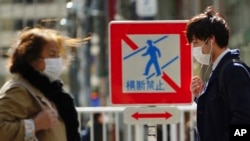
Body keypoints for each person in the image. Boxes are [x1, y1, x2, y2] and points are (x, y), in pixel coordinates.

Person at [0, 27, 87, 141]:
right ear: (32, 59)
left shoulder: (50, 92)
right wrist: (35, 124)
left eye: (58, 55)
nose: (58, 60)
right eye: (52, 54)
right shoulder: (18, 90)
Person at [186, 6, 250, 141]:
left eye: (196, 43)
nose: (194, 49)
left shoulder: (234, 70)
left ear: (211, 40)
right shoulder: (219, 70)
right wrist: (201, 96)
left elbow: (244, 121)